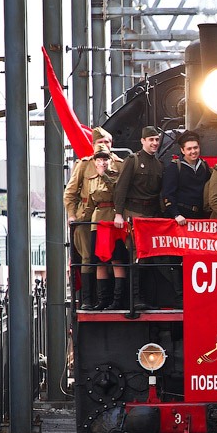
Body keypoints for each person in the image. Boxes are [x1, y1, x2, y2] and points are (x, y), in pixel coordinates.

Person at [64, 126, 122, 310]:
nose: (103, 145)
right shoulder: (84, 164)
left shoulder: (119, 164)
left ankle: (111, 299)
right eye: (100, 142)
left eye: (107, 142)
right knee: (89, 258)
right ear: (93, 144)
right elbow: (70, 193)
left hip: (110, 217)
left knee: (114, 258)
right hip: (86, 218)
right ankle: (89, 299)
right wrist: (73, 215)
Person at [113, 126, 163, 311]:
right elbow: (121, 188)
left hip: (151, 216)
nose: (154, 143)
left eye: (157, 140)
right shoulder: (133, 160)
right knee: (136, 255)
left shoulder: (158, 165)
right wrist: (119, 213)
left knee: (148, 257)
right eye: (151, 140)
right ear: (143, 141)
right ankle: (135, 298)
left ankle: (146, 297)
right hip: (133, 213)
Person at [86, 144, 128, 310]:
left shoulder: (116, 176)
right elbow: (90, 204)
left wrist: (104, 175)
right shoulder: (91, 180)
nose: (102, 162)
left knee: (116, 259)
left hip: (112, 219)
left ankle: (118, 300)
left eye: (105, 159)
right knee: (99, 261)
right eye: (99, 159)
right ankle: (102, 299)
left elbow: (117, 192)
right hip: (98, 221)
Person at [162, 130, 211, 224]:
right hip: (181, 216)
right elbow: (168, 193)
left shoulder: (203, 165)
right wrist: (176, 214)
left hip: (199, 215)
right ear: (182, 150)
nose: (193, 151)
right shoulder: (174, 167)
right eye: (189, 149)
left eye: (195, 148)